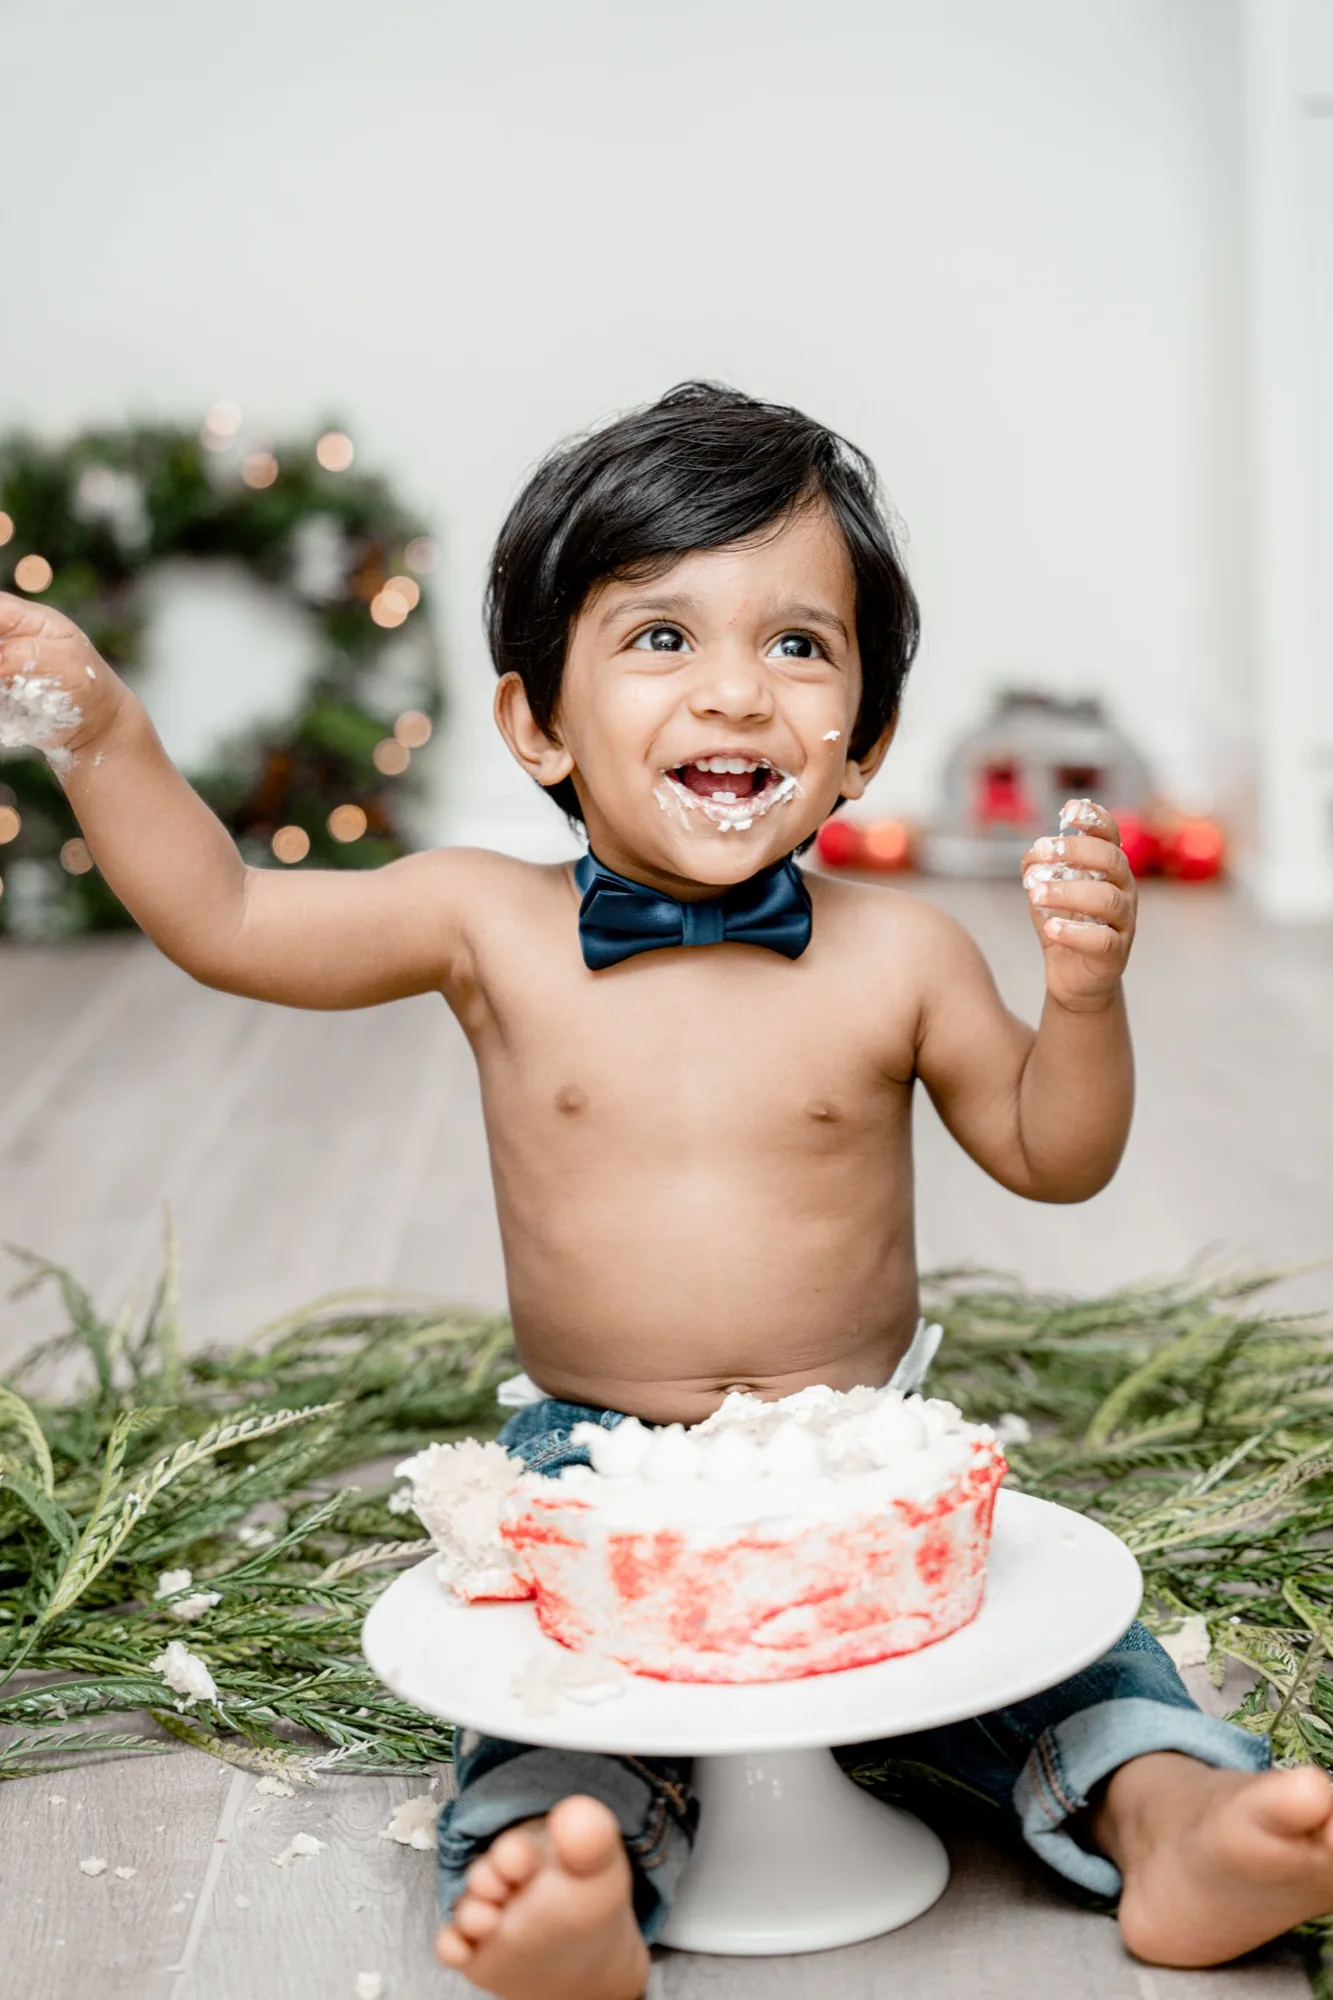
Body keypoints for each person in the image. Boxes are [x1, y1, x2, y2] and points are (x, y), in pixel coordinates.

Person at [3, 382, 1330, 2000]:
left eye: (798, 647)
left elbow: (1059, 1157)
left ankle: (1175, 1818)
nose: (738, 693)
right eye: (660, 639)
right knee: (556, 1698)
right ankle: (566, 1885)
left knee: (1052, 1652)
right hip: (599, 1459)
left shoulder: (900, 952)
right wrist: (106, 733)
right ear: (535, 725)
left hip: (865, 1456)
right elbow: (225, 918)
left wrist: (1084, 997)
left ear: (868, 740)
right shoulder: (485, 924)